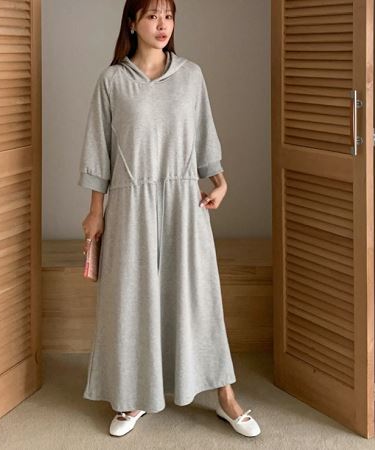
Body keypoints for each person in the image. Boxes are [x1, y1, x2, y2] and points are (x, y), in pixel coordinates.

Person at [78, 0, 261, 438]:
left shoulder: (191, 76)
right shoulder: (112, 81)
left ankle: (226, 397)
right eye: (151, 16)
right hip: (130, 205)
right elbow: (99, 153)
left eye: (168, 16)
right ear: (132, 23)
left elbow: (205, 139)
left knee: (199, 298)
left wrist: (221, 183)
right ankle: (133, 396)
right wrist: (95, 212)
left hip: (184, 202)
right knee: (130, 300)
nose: (162, 25)